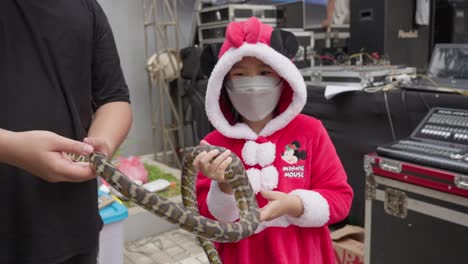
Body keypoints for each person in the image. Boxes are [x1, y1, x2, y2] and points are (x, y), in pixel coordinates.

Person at [193, 17, 353, 264]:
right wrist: (224, 186)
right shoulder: (213, 146)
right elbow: (205, 220)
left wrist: (296, 205)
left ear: (283, 76)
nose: (254, 82)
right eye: (240, 74)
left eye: (265, 72)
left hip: (305, 256)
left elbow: (341, 199)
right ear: (224, 82)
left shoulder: (310, 131)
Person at [0, 0, 132, 263]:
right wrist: (10, 147)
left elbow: (114, 98)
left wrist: (101, 144)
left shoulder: (87, 8)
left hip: (75, 228)